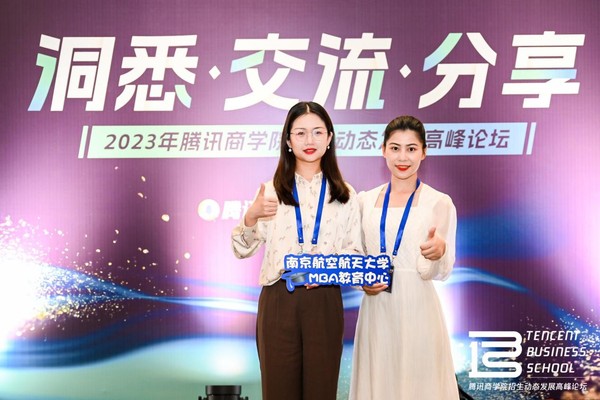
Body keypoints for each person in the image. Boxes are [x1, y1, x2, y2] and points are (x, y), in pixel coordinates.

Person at [231, 101, 362, 400]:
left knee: (321, 391)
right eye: (300, 133)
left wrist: (327, 270)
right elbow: (241, 249)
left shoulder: (345, 194)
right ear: (288, 141)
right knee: (278, 391)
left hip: (324, 298)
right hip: (280, 298)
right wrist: (251, 217)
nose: (309, 140)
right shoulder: (270, 191)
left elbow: (354, 252)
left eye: (317, 132)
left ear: (329, 138)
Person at [349, 115, 459, 400]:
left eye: (411, 149)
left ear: (423, 152)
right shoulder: (364, 201)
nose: (403, 157)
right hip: (376, 306)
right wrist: (361, 279)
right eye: (395, 148)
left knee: (419, 385)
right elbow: (354, 253)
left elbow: (443, 270)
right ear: (383, 150)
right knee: (378, 381)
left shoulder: (439, 202)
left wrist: (439, 251)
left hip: (418, 307)